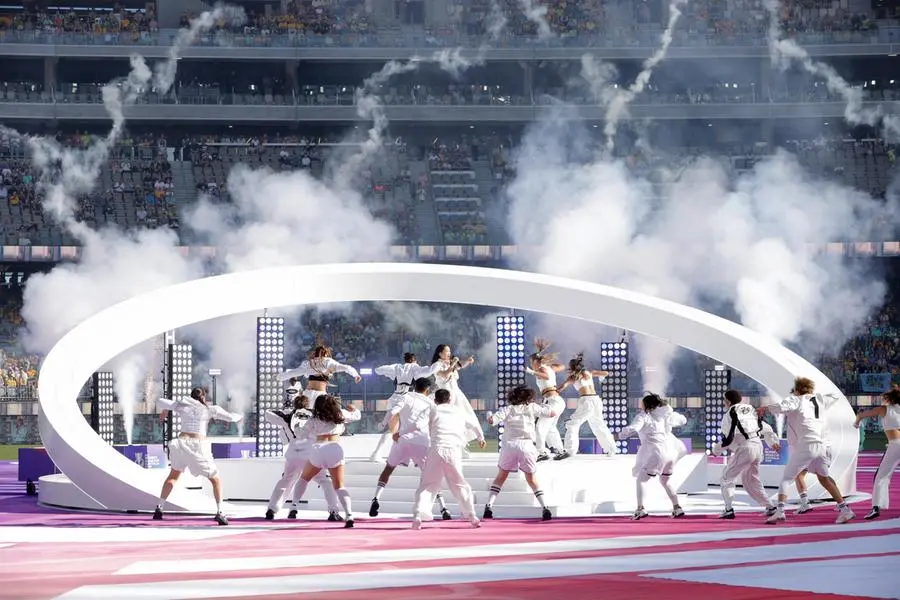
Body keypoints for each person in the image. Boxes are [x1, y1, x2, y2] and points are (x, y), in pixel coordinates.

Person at [759, 376, 855, 525]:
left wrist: (765, 408)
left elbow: (781, 406)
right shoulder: (821, 399)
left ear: (797, 390)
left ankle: (780, 511)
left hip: (807, 445)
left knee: (786, 478)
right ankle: (845, 510)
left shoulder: (797, 400)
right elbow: (836, 395)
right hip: (822, 446)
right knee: (824, 479)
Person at [153, 387, 243, 525]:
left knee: (173, 476)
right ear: (204, 397)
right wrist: (240, 416)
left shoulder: (181, 405)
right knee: (215, 480)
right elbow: (231, 417)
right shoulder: (210, 409)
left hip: (180, 444)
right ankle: (219, 512)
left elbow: (159, 400)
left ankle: (159, 508)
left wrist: (166, 410)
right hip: (197, 446)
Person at [369, 377, 452, 520]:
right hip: (421, 441)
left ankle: (376, 498)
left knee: (388, 469)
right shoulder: (430, 404)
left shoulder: (405, 397)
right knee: (431, 476)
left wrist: (383, 424)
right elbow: (431, 424)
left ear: (414, 386)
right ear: (427, 389)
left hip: (402, 440)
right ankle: (443, 508)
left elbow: (393, 411)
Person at [411, 388, 486, 529]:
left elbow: (417, 425)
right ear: (450, 399)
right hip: (453, 450)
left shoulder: (432, 409)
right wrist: (481, 437)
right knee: (459, 484)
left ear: (435, 400)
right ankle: (472, 516)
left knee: (428, 485)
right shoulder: (458, 411)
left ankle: (418, 515)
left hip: (436, 449)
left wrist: (404, 433)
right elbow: (474, 424)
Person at [263, 395, 343, 522]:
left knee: (286, 480)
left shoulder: (287, 414)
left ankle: (272, 509)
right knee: (325, 481)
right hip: (310, 452)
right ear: (308, 404)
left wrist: (287, 414)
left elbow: (268, 414)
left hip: (293, 451)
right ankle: (333, 510)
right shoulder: (316, 414)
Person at [483, 384, 555, 520]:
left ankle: (489, 506)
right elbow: (552, 413)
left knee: (501, 477)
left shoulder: (508, 409)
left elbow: (492, 421)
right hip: (527, 445)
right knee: (532, 479)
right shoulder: (533, 407)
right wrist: (544, 404)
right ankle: (545, 508)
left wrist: (488, 415)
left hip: (510, 445)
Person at [292, 395, 361, 528]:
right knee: (340, 486)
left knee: (304, 478)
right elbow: (357, 416)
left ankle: (294, 506)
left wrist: (296, 426)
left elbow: (300, 434)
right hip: (335, 449)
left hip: (318, 449)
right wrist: (353, 409)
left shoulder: (313, 419)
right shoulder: (340, 414)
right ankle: (349, 515)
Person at [711, 389, 779, 520]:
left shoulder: (729, 414)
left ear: (728, 401)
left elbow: (729, 439)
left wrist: (716, 450)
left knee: (726, 478)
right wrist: (773, 442)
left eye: (724, 400)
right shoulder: (750, 409)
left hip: (746, 448)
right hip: (758, 447)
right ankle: (770, 507)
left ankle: (728, 509)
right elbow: (765, 427)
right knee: (751, 480)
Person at [617, 392, 687, 520]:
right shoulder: (664, 417)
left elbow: (633, 428)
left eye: (642, 402)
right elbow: (682, 420)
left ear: (646, 405)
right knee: (665, 481)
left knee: (641, 480)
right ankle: (677, 508)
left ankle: (640, 509)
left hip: (656, 453)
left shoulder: (644, 416)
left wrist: (619, 435)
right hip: (670, 453)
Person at [369, 353, 442, 462]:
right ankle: (410, 455)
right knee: (411, 426)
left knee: (392, 429)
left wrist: (390, 374)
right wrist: (439, 362)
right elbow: (429, 371)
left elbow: (378, 370)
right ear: (414, 360)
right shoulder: (414, 368)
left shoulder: (397, 367)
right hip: (407, 399)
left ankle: (377, 453)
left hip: (395, 397)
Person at [555, 353, 616, 461]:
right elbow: (606, 372)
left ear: (572, 367)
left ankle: (570, 450)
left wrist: (553, 390)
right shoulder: (589, 372)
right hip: (596, 400)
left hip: (586, 401)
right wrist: (601, 377)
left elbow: (561, 388)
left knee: (572, 424)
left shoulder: (573, 377)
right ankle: (611, 449)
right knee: (599, 425)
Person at [854, 386, 900, 520]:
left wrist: (856, 422)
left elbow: (863, 415)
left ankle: (876, 507)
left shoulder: (885, 409)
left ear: (890, 399)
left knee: (881, 477)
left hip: (895, 444)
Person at [431, 344, 482, 457]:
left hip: (456, 394)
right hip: (443, 397)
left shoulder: (450, 363)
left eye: (449, 351)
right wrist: (453, 363)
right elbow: (445, 374)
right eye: (446, 351)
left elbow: (460, 365)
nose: (449, 353)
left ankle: (462, 445)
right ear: (440, 353)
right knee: (447, 422)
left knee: (464, 418)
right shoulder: (436, 365)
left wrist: (468, 361)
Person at [523, 338, 566, 461]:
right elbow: (562, 366)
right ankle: (560, 450)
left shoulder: (541, 369)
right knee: (551, 427)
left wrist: (531, 372)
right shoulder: (549, 367)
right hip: (556, 401)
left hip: (553, 401)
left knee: (540, 427)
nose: (531, 365)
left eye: (532, 362)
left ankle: (541, 452)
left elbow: (546, 376)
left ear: (536, 362)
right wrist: (551, 366)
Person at [281, 343, 361, 405]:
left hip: (308, 393)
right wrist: (356, 375)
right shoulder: (328, 361)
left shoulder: (308, 363)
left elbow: (292, 373)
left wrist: (279, 377)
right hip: (320, 395)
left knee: (306, 417)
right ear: (325, 354)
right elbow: (347, 367)